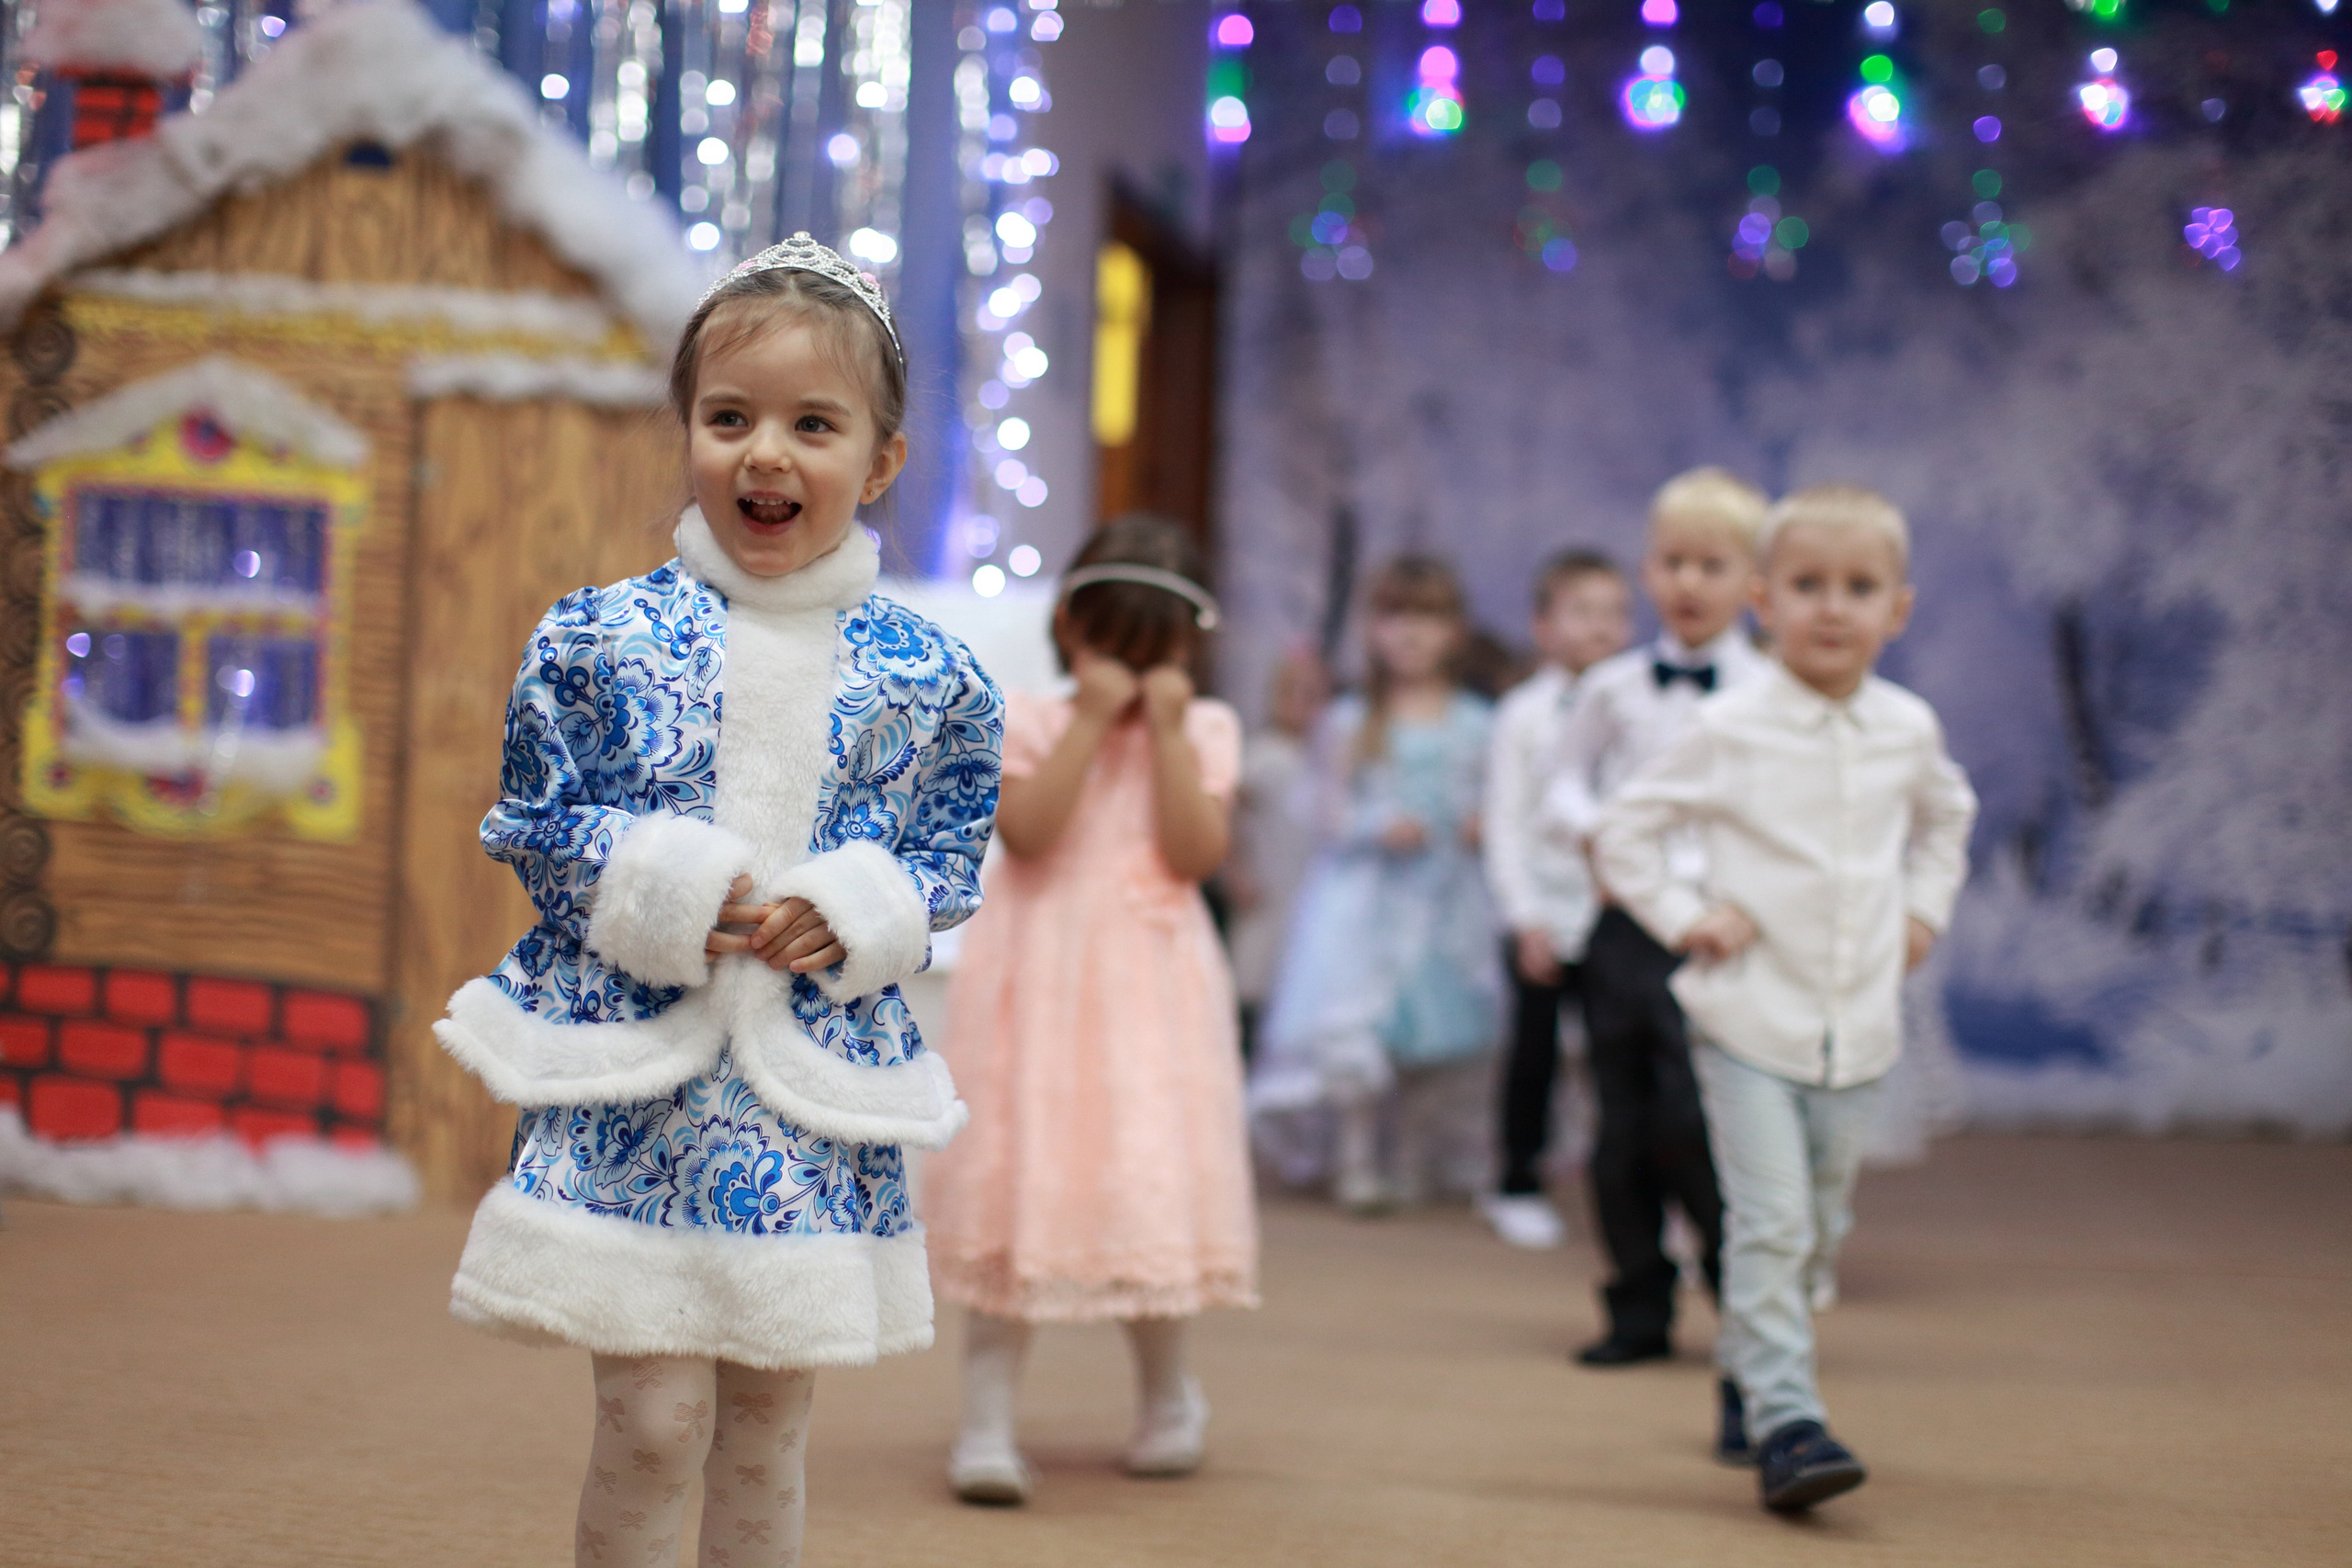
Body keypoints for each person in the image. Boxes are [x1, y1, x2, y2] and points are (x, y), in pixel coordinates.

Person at [430, 234, 1002, 1568]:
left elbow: (945, 858)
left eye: (814, 425)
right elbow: (535, 819)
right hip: (636, 1076)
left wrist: (862, 905)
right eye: (729, 417)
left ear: (880, 462)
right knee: (652, 1420)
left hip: (806, 1089)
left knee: (764, 1423)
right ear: (686, 429)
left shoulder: (932, 676)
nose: (766, 455)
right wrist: (660, 881)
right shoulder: (596, 637)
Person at [1593, 484, 1976, 1511]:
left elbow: (1948, 819)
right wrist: (1686, 915)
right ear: (1763, 600)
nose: (1832, 608)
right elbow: (1624, 828)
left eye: (1859, 587)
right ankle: (1789, 1423)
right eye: (1807, 585)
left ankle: (1745, 1367)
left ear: (1898, 609)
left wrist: (1923, 911)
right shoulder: (1730, 726)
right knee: (1766, 1222)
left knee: (1815, 1231)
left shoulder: (1906, 728)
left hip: (1856, 1032)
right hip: (1747, 1021)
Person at [923, 516, 1258, 1506]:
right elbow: (1028, 834)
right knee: (1017, 1181)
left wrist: (1166, 732)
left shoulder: (1206, 729)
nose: (1130, 671)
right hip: (1039, 981)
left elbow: (1195, 854)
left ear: (1187, 652)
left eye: (1154, 654)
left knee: (1146, 1177)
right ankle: (986, 1421)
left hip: (1150, 989)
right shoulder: (1027, 717)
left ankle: (1169, 1398)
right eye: (1114, 646)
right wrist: (1088, 721)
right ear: (1072, 627)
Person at [1542, 468, 1768, 1369]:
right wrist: (1598, 834)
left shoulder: (1769, 690)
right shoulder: (1613, 687)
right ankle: (1636, 1300)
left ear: (1753, 581)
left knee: (1699, 1117)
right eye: (1673, 562)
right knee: (1622, 1121)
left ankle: (1743, 1302)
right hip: (1626, 928)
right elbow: (1561, 780)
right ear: (1646, 571)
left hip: (1717, 928)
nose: (1689, 582)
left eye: (1713, 565)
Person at [1252, 557, 1504, 1213]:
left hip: (1446, 897)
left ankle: (1411, 1155)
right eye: (1396, 616)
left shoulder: (1478, 721)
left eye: (1429, 617)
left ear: (1455, 631)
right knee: (1356, 1033)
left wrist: (1483, 823)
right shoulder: (1349, 718)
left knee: (1430, 1036)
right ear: (1374, 628)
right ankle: (1356, 1157)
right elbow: (1323, 810)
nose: (1412, 633)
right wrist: (1375, 824)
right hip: (1364, 900)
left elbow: (1496, 801)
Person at [1478, 549, 1633, 1250]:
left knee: (1620, 1058)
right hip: (1543, 909)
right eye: (1582, 611)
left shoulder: (1638, 703)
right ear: (1543, 626)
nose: (1600, 627)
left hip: (1619, 909)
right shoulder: (1522, 714)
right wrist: (1525, 917)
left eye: (1614, 612)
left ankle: (1630, 1191)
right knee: (1534, 1053)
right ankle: (1517, 1180)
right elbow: (1505, 821)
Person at [1225, 646, 1330, 1059]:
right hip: (1269, 890)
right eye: (1292, 691)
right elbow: (1226, 810)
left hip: (1307, 893)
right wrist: (1236, 873)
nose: (1301, 703)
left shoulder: (1325, 758)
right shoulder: (1262, 754)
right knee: (1257, 986)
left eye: (1313, 695)